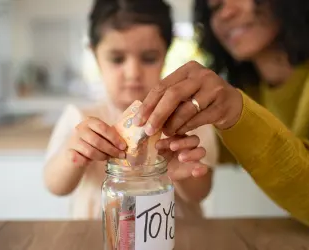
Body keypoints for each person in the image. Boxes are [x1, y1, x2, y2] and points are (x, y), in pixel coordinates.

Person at [132, 0, 309, 238]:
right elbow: (203, 154)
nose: (225, 13)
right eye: (215, 7)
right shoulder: (250, 86)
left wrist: (237, 113)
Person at [43, 0, 219, 220]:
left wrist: (184, 171)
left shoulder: (189, 118)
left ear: (166, 54)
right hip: (97, 237)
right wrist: (74, 154)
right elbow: (54, 185)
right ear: (95, 56)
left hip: (174, 235)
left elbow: (199, 194)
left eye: (148, 58)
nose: (133, 72)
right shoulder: (80, 118)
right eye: (117, 59)